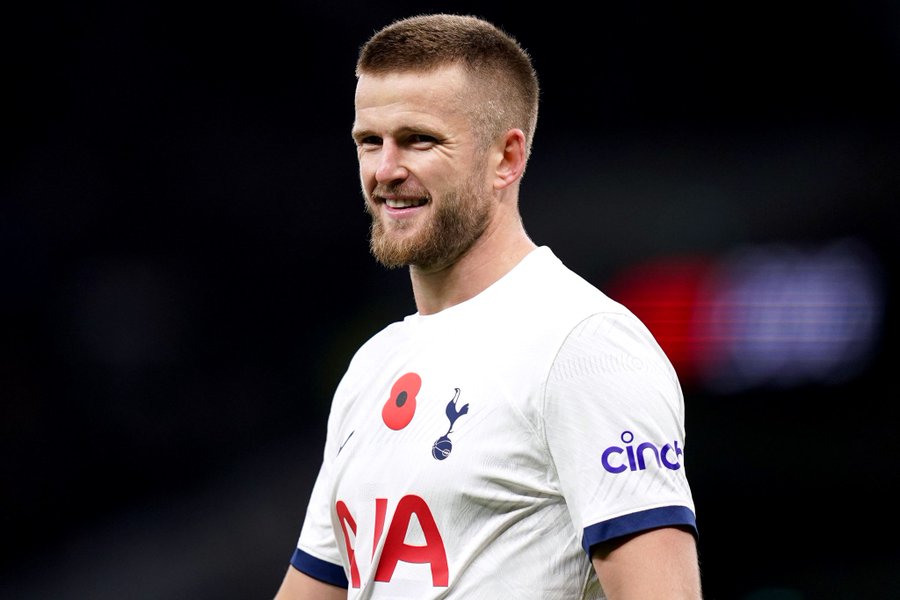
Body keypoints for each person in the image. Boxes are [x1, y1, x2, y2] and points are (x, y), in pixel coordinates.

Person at [274, 13, 701, 600]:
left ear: (506, 158)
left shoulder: (584, 346)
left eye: (419, 140)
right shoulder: (372, 366)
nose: (385, 171)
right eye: (370, 141)